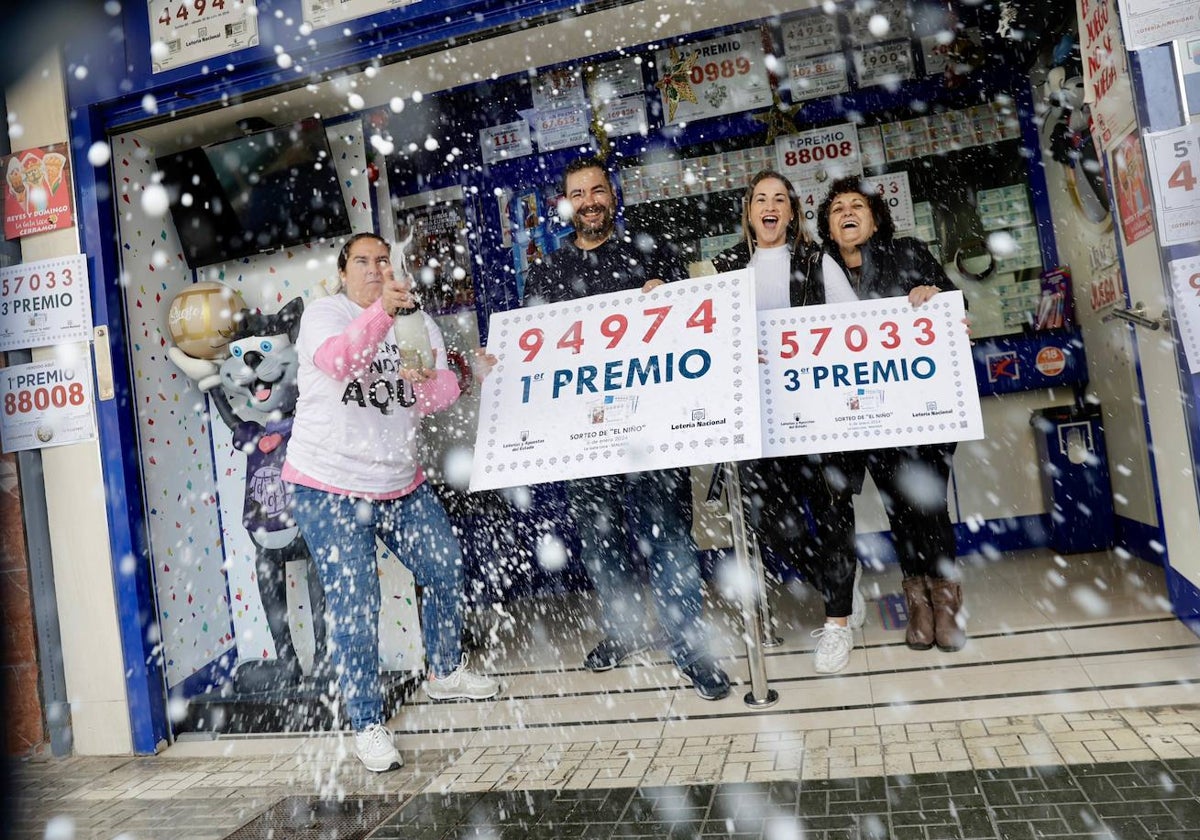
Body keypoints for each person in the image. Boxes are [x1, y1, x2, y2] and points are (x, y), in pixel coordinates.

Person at [282, 232, 500, 773]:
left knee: (444, 565)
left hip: (397, 480)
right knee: (356, 606)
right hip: (327, 484)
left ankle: (444, 671)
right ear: (343, 271)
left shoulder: (414, 318)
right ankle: (365, 722)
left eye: (384, 260)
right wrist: (381, 312)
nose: (376, 269)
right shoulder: (323, 315)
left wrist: (431, 380)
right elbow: (340, 363)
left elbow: (438, 392)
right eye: (363, 261)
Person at [523, 154, 731, 700]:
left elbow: (690, 325)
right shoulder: (548, 269)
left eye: (598, 190)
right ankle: (622, 632)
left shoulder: (651, 249)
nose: (590, 201)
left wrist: (670, 295)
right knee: (600, 544)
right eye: (579, 193)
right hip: (585, 436)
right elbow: (532, 348)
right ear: (566, 205)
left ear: (612, 195)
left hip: (654, 430)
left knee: (670, 541)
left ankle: (690, 647)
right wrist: (504, 361)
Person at [711, 169, 865, 675]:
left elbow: (853, 324)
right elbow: (706, 339)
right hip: (760, 420)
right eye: (761, 199)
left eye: (780, 199)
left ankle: (837, 623)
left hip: (819, 416)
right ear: (749, 211)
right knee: (773, 526)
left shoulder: (816, 260)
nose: (770, 206)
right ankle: (836, 581)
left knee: (834, 512)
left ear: (792, 211)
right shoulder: (726, 268)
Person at [816, 176, 966, 652]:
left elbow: (960, 309)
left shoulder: (908, 253)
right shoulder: (820, 274)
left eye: (856, 205)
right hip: (866, 418)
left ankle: (946, 604)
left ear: (875, 218)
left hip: (921, 412)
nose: (846, 213)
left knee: (930, 503)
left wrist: (934, 295)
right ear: (828, 227)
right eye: (836, 208)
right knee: (898, 509)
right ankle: (917, 600)